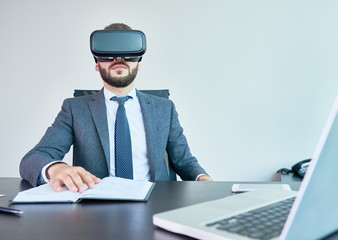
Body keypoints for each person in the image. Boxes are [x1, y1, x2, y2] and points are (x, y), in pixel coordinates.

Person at [20, 23, 212, 193]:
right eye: (108, 55)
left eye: (127, 54)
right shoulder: (74, 109)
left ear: (138, 64)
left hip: (155, 202)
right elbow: (34, 158)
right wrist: (57, 169)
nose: (118, 59)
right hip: (98, 209)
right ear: (97, 65)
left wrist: (202, 178)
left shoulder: (164, 108)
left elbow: (184, 161)